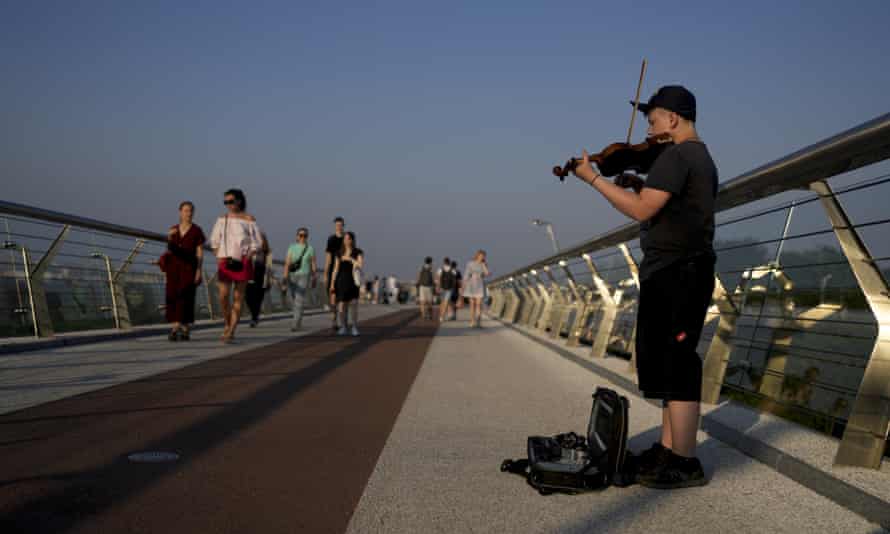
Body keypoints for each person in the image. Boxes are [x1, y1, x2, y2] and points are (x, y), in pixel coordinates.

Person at [570, 85, 717, 489]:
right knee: (671, 360)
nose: (648, 130)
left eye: (653, 120)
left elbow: (641, 210)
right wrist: (638, 183)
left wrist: (593, 179)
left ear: (673, 118)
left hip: (677, 271)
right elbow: (666, 205)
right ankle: (668, 451)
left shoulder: (677, 155)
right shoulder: (693, 157)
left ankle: (684, 461)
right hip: (678, 268)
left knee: (680, 362)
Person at [209, 188, 262, 343]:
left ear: (239, 201)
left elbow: (257, 241)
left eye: (231, 201)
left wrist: (250, 255)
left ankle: (231, 330)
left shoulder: (249, 219)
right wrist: (218, 255)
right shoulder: (222, 219)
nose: (228, 205)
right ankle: (227, 323)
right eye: (226, 202)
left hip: (243, 261)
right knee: (223, 297)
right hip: (225, 261)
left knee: (238, 297)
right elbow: (214, 240)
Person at [162, 201, 205, 341]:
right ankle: (177, 327)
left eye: (191, 210)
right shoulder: (173, 229)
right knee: (173, 296)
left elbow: (199, 252)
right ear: (180, 212)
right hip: (173, 269)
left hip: (189, 268)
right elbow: (169, 249)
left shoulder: (197, 231)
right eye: (186, 210)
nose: (189, 213)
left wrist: (199, 270)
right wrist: (169, 237)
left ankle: (182, 328)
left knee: (186, 296)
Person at [282, 227, 316, 331]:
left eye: (305, 235)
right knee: (293, 299)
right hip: (292, 276)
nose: (302, 237)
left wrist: (314, 276)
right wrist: (284, 277)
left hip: (304, 275)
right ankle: (299, 320)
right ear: (297, 236)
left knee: (299, 300)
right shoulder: (291, 247)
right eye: (300, 235)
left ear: (307, 237)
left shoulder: (310, 249)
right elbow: (287, 263)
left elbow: (313, 263)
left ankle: (295, 324)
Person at [330, 231, 363, 336]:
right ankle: (344, 326)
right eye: (344, 239)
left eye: (348, 238)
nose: (346, 241)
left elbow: (360, 265)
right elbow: (335, 269)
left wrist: (350, 259)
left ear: (352, 240)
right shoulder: (339, 253)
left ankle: (354, 327)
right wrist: (332, 283)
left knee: (353, 305)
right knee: (341, 305)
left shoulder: (358, 252)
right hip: (341, 281)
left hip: (353, 281)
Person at [324, 217, 346, 332]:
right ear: (334, 226)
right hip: (333, 270)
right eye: (337, 225)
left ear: (343, 226)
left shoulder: (347, 238)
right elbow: (328, 256)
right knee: (332, 297)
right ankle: (334, 320)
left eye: (341, 225)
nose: (339, 226)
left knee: (342, 297)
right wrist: (326, 272)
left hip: (344, 271)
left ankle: (342, 321)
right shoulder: (331, 239)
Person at [246, 231, 272, 327]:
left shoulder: (267, 252)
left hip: (261, 274)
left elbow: (269, 267)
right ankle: (255, 314)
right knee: (248, 297)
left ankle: (254, 318)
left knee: (258, 298)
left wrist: (268, 280)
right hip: (249, 273)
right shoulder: (248, 249)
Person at [463, 250, 489, 327]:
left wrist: (484, 265)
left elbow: (487, 273)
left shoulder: (484, 264)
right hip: (471, 284)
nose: (482, 257)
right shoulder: (470, 263)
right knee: (472, 304)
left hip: (480, 284)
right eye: (481, 255)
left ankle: (478, 321)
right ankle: (472, 321)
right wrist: (463, 285)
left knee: (478, 304)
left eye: (483, 256)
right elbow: (466, 275)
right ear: (477, 255)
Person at [438, 257, 457, 322]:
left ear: (444, 262)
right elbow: (455, 280)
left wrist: (438, 287)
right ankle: (442, 316)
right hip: (450, 288)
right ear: (449, 262)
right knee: (446, 302)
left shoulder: (440, 269)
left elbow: (438, 279)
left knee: (443, 302)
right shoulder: (453, 270)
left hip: (442, 287)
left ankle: (441, 316)